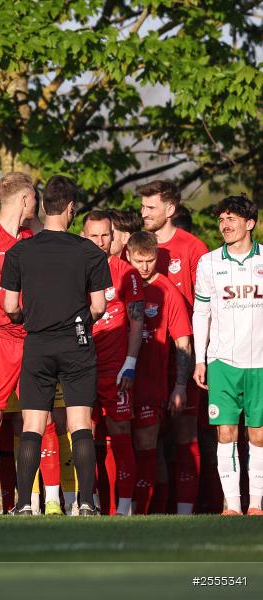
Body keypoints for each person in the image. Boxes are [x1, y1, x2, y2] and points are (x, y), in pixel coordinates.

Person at [0, 175, 111, 516]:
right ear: (71, 208)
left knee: (32, 425)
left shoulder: (19, 251)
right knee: (80, 423)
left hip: (38, 344)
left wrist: (27, 317)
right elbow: (99, 306)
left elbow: (9, 306)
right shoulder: (89, 251)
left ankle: (23, 504)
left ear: (44, 206)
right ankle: (86, 502)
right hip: (77, 342)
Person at [0, 172, 62, 516]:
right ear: (24, 200)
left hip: (32, 340)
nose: (38, 205)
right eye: (34, 199)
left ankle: (51, 501)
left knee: (43, 420)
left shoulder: (34, 238)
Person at [139, 179, 208, 514]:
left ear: (170, 209)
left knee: (185, 434)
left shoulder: (193, 248)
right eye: (142, 207)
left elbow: (207, 306)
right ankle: (155, 511)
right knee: (149, 438)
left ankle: (185, 513)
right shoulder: (139, 246)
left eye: (150, 207)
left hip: (182, 355)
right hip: (147, 358)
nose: (144, 213)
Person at [192, 195, 263, 516]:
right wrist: (200, 359)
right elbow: (201, 313)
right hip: (222, 362)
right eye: (221, 219)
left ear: (250, 223)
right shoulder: (208, 263)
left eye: (231, 218)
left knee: (258, 434)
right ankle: (232, 506)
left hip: (259, 362)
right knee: (225, 432)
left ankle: (256, 504)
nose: (225, 225)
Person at [124, 232, 193, 514]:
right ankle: (118, 510)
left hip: (151, 384)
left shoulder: (167, 291)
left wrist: (180, 386)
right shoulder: (117, 284)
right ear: (128, 255)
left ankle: (144, 514)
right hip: (116, 381)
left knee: (147, 445)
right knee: (119, 445)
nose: (144, 267)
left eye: (149, 260)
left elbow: (183, 343)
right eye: (138, 261)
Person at [81, 210, 145, 515]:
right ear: (83, 237)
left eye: (105, 235)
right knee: (85, 434)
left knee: (120, 434)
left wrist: (130, 363)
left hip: (116, 369)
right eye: (93, 235)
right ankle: (88, 503)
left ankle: (124, 508)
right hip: (82, 366)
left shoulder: (127, 273)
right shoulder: (74, 271)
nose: (100, 241)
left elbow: (137, 322)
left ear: (113, 236)